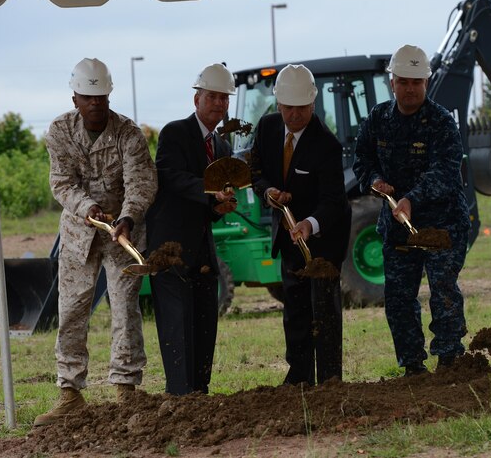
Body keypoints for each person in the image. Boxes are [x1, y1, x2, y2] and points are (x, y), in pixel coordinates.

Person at [34, 58, 157, 426]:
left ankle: (126, 390)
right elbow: (62, 183)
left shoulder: (129, 134)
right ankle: (70, 393)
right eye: (88, 97)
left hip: (123, 235)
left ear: (108, 95)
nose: (95, 103)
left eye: (101, 96)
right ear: (75, 99)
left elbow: (142, 182)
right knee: (71, 311)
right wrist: (88, 208)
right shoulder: (58, 131)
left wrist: (128, 217)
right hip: (78, 235)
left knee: (124, 309)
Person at [353, 45, 470, 376]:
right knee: (398, 296)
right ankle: (412, 365)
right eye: (403, 82)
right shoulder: (378, 119)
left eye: (417, 83)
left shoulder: (442, 122)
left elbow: (445, 172)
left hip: (442, 223)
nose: (410, 89)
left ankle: (449, 359)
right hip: (398, 226)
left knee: (443, 288)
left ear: (427, 83)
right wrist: (375, 180)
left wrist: (412, 199)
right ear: (392, 82)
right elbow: (362, 161)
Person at [250, 64, 351, 386]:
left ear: (313, 104)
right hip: (289, 237)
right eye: (288, 108)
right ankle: (299, 376)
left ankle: (330, 378)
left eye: (301, 108)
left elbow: (335, 201)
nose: (294, 115)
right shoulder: (266, 128)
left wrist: (309, 224)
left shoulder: (327, 145)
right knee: (295, 310)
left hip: (323, 241)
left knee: (324, 311)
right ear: (278, 104)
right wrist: (268, 191)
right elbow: (255, 172)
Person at [145, 63, 237, 395]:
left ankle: (200, 391)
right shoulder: (175, 133)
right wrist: (211, 192)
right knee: (176, 322)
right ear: (196, 98)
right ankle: (179, 394)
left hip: (202, 249)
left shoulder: (223, 148)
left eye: (224, 98)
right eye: (212, 96)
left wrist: (220, 207)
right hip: (169, 248)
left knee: (204, 320)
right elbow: (171, 176)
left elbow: (208, 205)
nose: (218, 104)